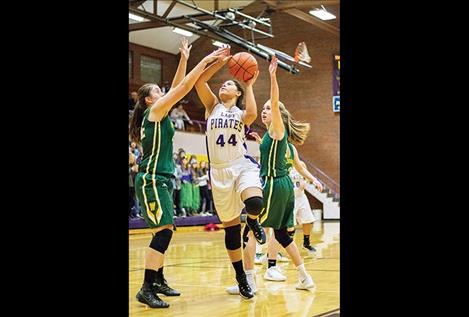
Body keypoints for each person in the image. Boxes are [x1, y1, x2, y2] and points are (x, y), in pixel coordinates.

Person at [128, 38, 229, 308]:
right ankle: (146, 287)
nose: (164, 93)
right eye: (158, 92)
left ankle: (158, 279)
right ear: (149, 99)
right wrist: (207, 61)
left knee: (164, 230)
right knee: (162, 233)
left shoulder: (159, 110)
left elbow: (176, 87)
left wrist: (184, 58)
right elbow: (182, 88)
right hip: (151, 179)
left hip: (161, 179)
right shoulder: (154, 111)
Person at [194, 46, 266, 300]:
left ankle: (254, 221)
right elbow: (200, 81)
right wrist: (217, 62)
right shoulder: (212, 106)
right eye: (222, 84)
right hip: (219, 173)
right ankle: (241, 278)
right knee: (231, 231)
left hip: (240, 164)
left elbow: (253, 114)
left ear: (236, 93)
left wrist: (249, 85)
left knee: (256, 202)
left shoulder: (240, 112)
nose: (223, 86)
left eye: (228, 84)